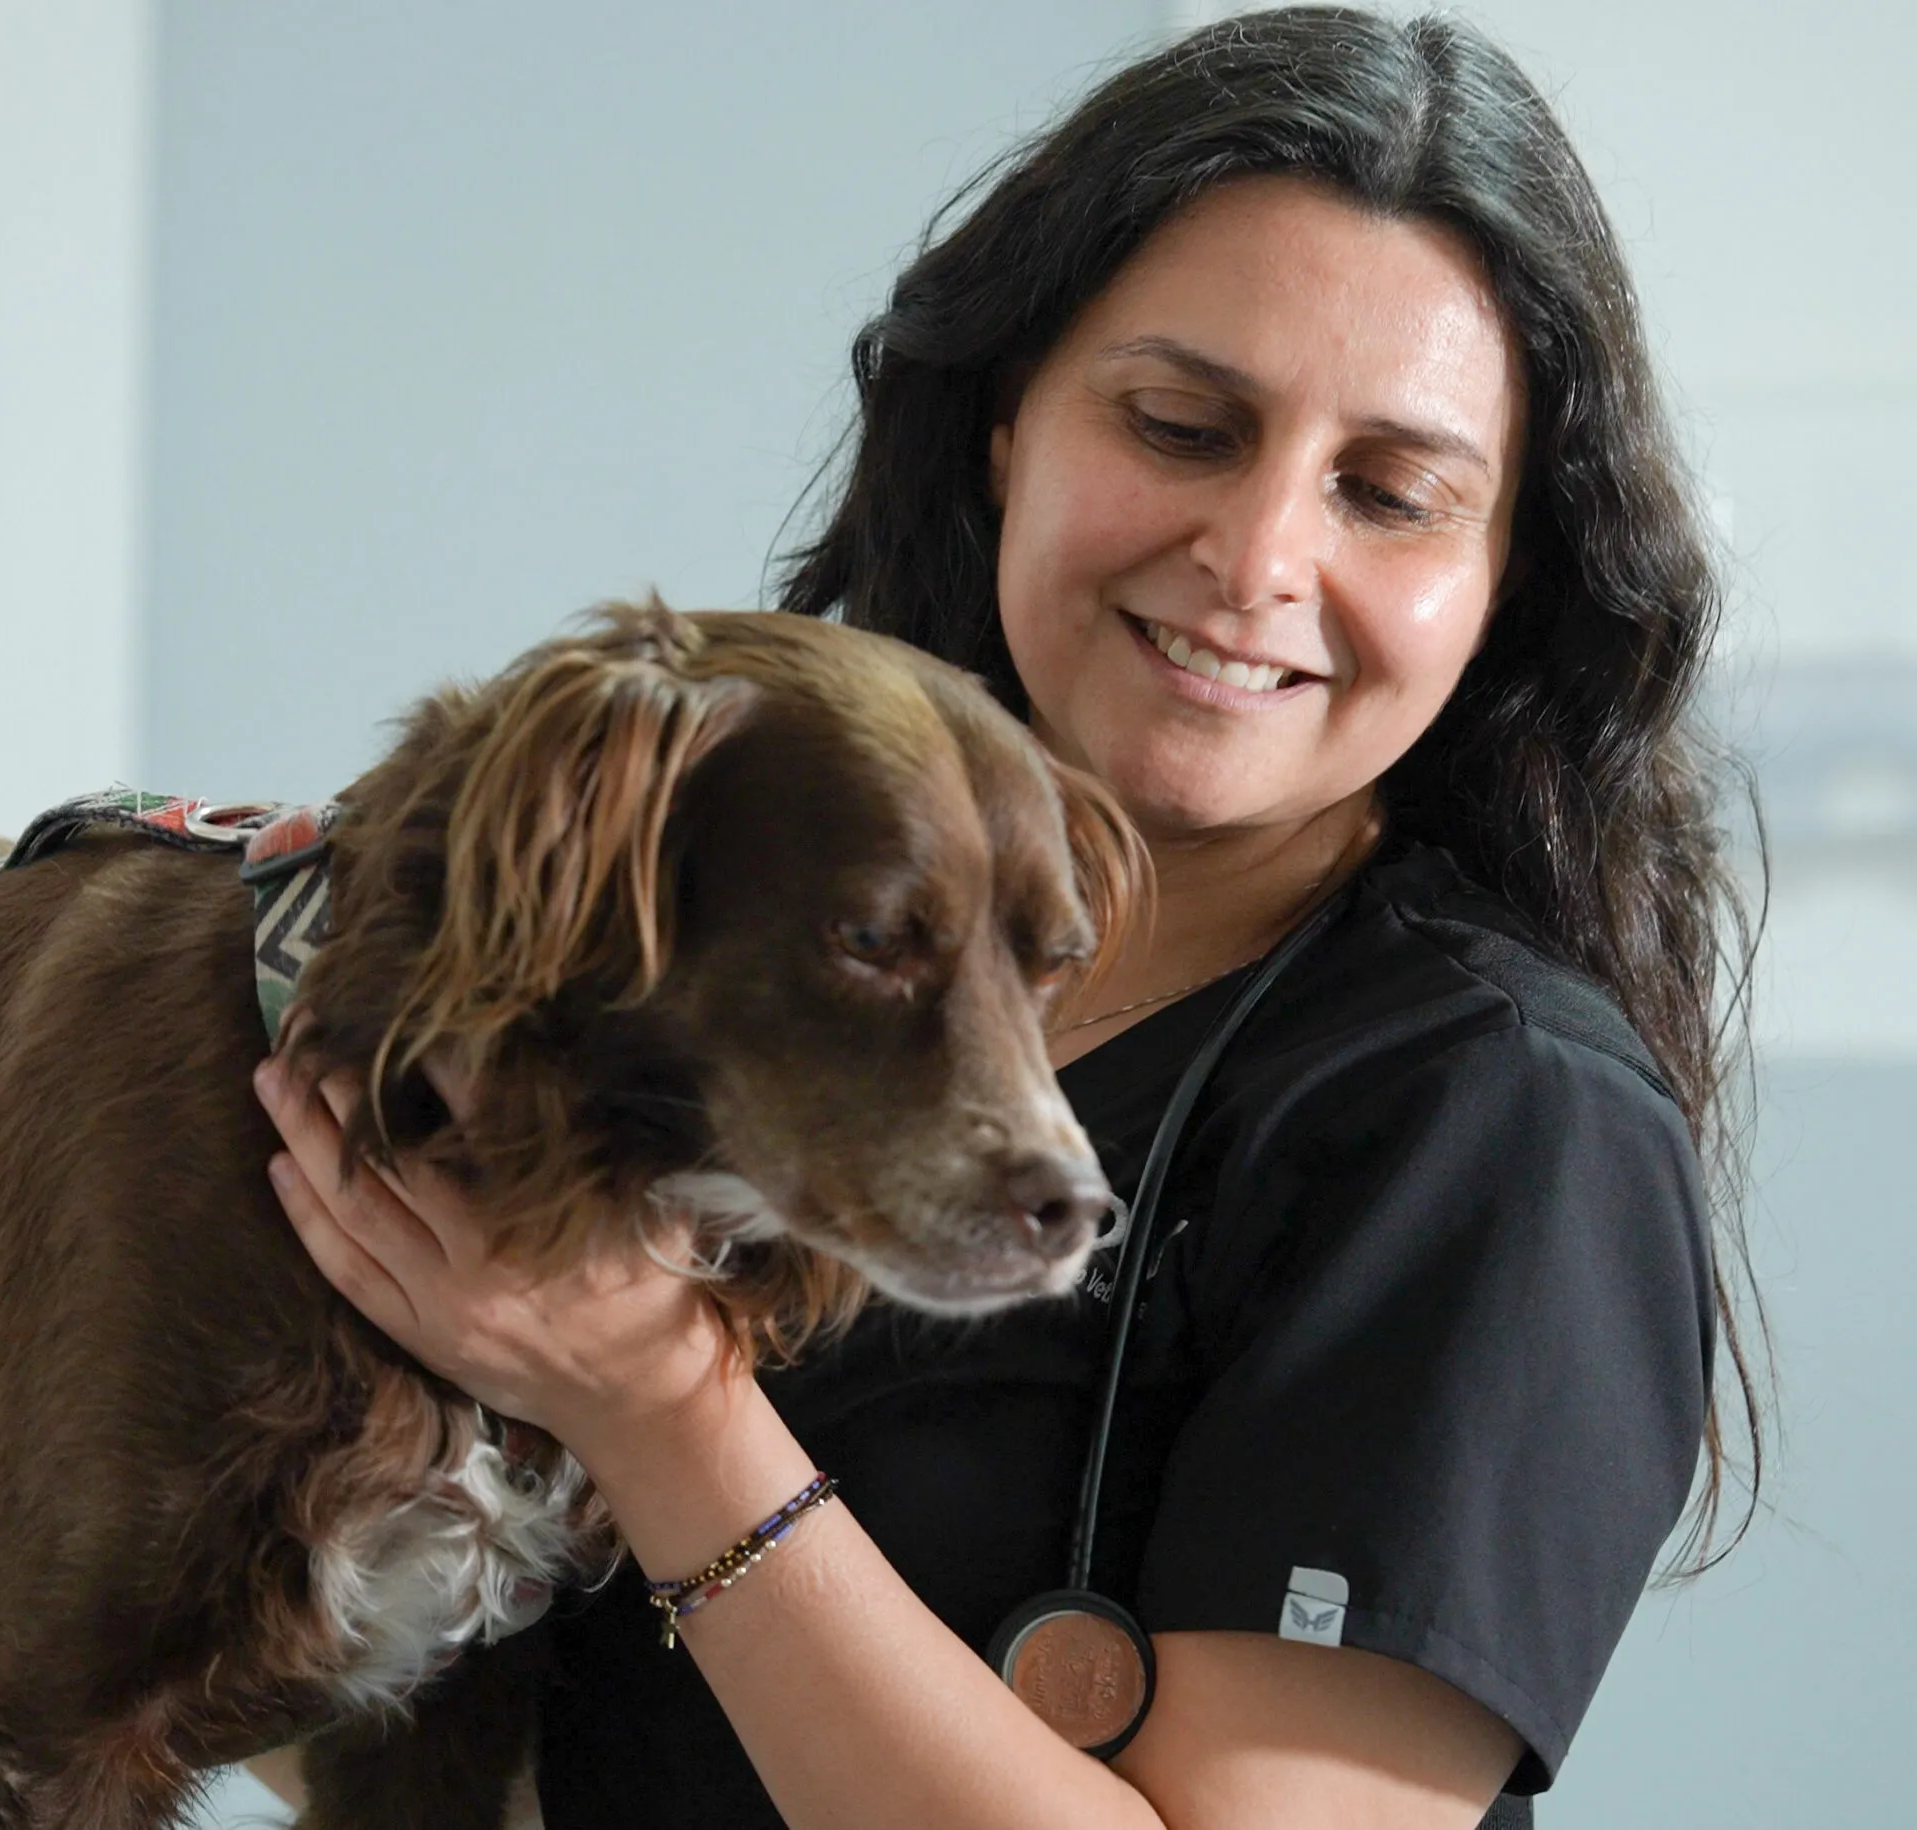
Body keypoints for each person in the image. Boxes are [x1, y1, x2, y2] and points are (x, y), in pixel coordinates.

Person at [252, 7, 1764, 1825]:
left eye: (1390, 494)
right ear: (1001, 426)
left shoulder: (1503, 1123)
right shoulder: (700, 933)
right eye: (1183, 426)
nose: (1259, 560)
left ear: (1506, 577)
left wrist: (663, 1415)